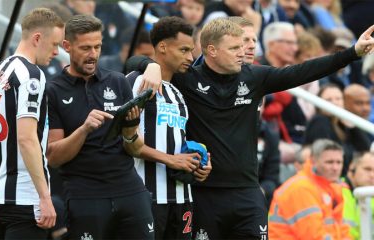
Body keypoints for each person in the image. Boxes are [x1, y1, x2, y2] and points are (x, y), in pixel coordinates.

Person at [126, 18, 374, 239]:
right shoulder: (187, 79)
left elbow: (301, 72)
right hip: (203, 193)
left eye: (243, 46)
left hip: (247, 192)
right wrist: (150, 65)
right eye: (234, 48)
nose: (242, 53)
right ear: (211, 51)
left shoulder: (254, 77)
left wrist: (352, 52)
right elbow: (135, 62)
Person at [46, 14, 175, 239]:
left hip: (130, 189)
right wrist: (84, 129)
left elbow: (133, 146)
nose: (93, 54)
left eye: (97, 46)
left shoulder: (117, 81)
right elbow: (54, 156)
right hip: (85, 194)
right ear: (67, 46)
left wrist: (129, 129)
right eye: (85, 47)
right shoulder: (53, 91)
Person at [0, 8, 64, 239]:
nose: (56, 51)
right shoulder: (31, 75)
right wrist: (45, 197)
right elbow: (26, 138)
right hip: (25, 200)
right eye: (54, 44)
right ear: (37, 38)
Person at [127, 16, 212, 240]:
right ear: (162, 47)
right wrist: (171, 160)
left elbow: (177, 141)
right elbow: (125, 140)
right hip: (146, 196)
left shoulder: (177, 94)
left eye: (191, 50)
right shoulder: (137, 82)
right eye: (184, 50)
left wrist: (200, 162)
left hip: (183, 198)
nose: (190, 57)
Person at [269, 139, 351, 239]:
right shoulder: (301, 188)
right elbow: (313, 235)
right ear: (313, 161)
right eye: (329, 162)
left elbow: (341, 228)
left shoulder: (332, 187)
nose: (335, 167)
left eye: (339, 162)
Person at [342, 152, 374, 239]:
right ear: (352, 168)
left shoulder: (371, 194)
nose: (372, 175)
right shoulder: (336, 191)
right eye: (367, 169)